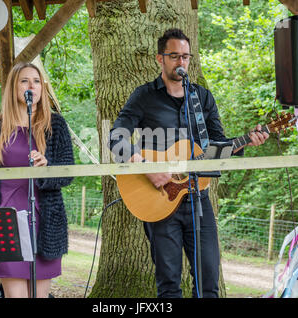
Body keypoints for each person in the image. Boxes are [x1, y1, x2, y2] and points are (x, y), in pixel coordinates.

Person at [109, 28, 269, 298]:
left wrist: (246, 142)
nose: (181, 62)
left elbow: (217, 145)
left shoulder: (202, 98)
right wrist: (147, 167)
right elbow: (116, 137)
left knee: (209, 283)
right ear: (160, 59)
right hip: (159, 199)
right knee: (169, 286)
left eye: (186, 56)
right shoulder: (144, 96)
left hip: (198, 199)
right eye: (174, 56)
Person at [0, 62, 74, 298]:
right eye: (25, 81)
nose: (32, 86)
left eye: (37, 81)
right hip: (5, 220)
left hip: (44, 220)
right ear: (13, 87)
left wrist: (47, 167)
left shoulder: (55, 124)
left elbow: (67, 173)